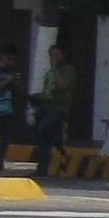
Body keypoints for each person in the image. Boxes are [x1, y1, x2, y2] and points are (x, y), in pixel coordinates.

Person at [28, 42, 78, 175]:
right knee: (42, 138)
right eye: (51, 55)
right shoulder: (49, 72)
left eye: (56, 55)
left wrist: (55, 69)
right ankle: (42, 167)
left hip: (59, 108)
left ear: (63, 55)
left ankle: (59, 140)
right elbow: (48, 90)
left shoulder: (68, 70)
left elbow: (62, 85)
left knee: (44, 129)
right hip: (46, 107)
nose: (53, 58)